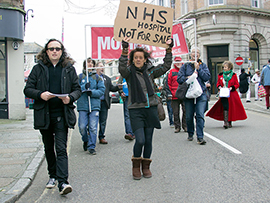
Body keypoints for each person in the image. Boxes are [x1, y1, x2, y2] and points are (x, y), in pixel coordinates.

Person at [24, 39, 81, 195]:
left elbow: (77, 89)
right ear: (46, 52)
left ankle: (63, 182)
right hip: (44, 114)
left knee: (61, 149)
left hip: (62, 114)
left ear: (62, 51)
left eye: (57, 48)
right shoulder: (38, 69)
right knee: (49, 148)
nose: (55, 51)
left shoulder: (69, 69)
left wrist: (70, 97)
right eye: (51, 49)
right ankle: (53, 176)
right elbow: (27, 89)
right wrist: (40, 94)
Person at [118, 37, 173, 180]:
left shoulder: (150, 71)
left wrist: (168, 49)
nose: (138, 60)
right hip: (136, 110)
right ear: (133, 59)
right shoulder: (129, 73)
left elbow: (166, 65)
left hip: (151, 109)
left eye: (140, 57)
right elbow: (122, 67)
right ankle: (136, 166)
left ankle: (146, 166)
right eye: (135, 57)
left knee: (148, 140)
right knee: (140, 140)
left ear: (145, 59)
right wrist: (125, 50)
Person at [177, 48, 210, 145]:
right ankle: (190, 133)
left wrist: (199, 69)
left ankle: (200, 137)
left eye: (197, 53)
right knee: (188, 116)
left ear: (199, 55)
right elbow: (179, 79)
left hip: (201, 93)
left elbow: (207, 77)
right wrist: (188, 77)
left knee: (200, 114)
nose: (195, 54)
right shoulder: (186, 66)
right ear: (190, 54)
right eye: (193, 53)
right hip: (189, 94)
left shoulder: (203, 65)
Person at [77, 58, 105, 155]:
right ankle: (86, 140)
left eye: (92, 63)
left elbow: (102, 90)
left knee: (93, 127)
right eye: (88, 62)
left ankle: (92, 146)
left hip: (94, 106)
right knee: (82, 126)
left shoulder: (98, 78)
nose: (90, 64)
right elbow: (75, 90)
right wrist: (84, 87)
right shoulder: (80, 77)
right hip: (83, 106)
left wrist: (92, 92)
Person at [206, 61, 247, 128]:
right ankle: (225, 122)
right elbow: (218, 83)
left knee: (231, 107)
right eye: (223, 67)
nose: (224, 68)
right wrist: (219, 86)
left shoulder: (234, 75)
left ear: (229, 68)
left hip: (231, 94)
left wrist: (232, 88)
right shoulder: (220, 75)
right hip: (223, 93)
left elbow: (237, 84)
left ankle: (230, 121)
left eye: (225, 67)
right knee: (225, 106)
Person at [96, 61, 121, 144]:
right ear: (96, 68)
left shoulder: (107, 78)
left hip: (104, 102)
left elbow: (112, 88)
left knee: (103, 121)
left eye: (103, 66)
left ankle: (101, 137)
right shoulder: (92, 78)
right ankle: (91, 136)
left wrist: (118, 87)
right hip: (94, 103)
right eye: (100, 66)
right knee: (93, 121)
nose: (102, 68)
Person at [167, 56, 187, 133]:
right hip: (174, 95)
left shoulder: (184, 71)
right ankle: (177, 126)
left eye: (179, 61)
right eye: (176, 61)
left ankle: (185, 126)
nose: (178, 63)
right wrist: (170, 93)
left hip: (183, 94)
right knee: (175, 112)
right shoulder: (171, 72)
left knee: (185, 111)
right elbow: (168, 84)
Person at [118, 75, 135, 140]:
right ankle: (129, 133)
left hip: (135, 96)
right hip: (127, 97)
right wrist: (121, 92)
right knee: (127, 115)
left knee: (135, 114)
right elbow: (119, 84)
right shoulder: (123, 73)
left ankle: (135, 132)